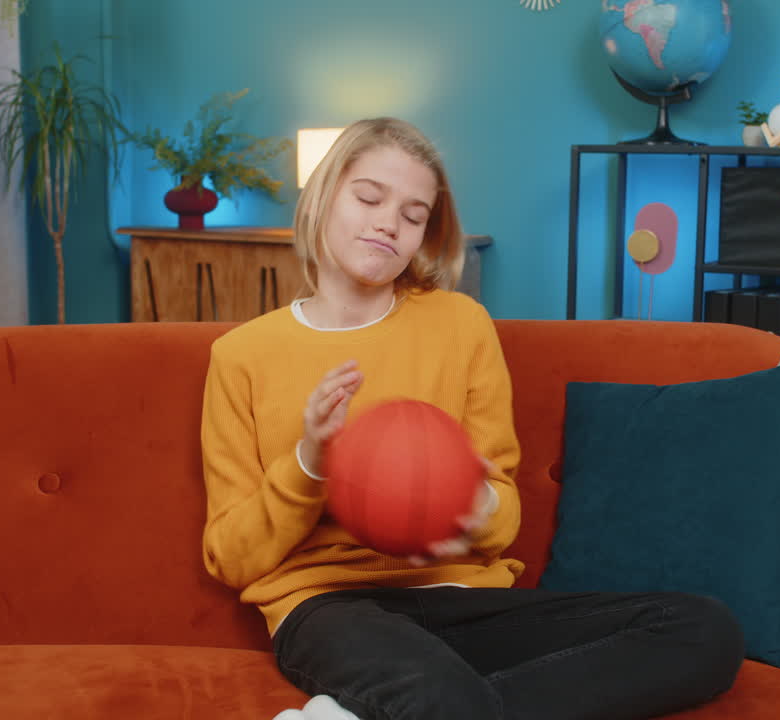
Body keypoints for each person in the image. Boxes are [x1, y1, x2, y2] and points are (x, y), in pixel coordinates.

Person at [200, 117, 744, 720]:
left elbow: (502, 519)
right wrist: (310, 461)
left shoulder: (461, 325)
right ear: (324, 195)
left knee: (703, 630)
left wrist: (471, 498)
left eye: (413, 215)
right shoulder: (242, 355)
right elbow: (231, 557)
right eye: (369, 197)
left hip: (465, 602)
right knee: (443, 696)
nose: (389, 223)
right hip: (328, 607)